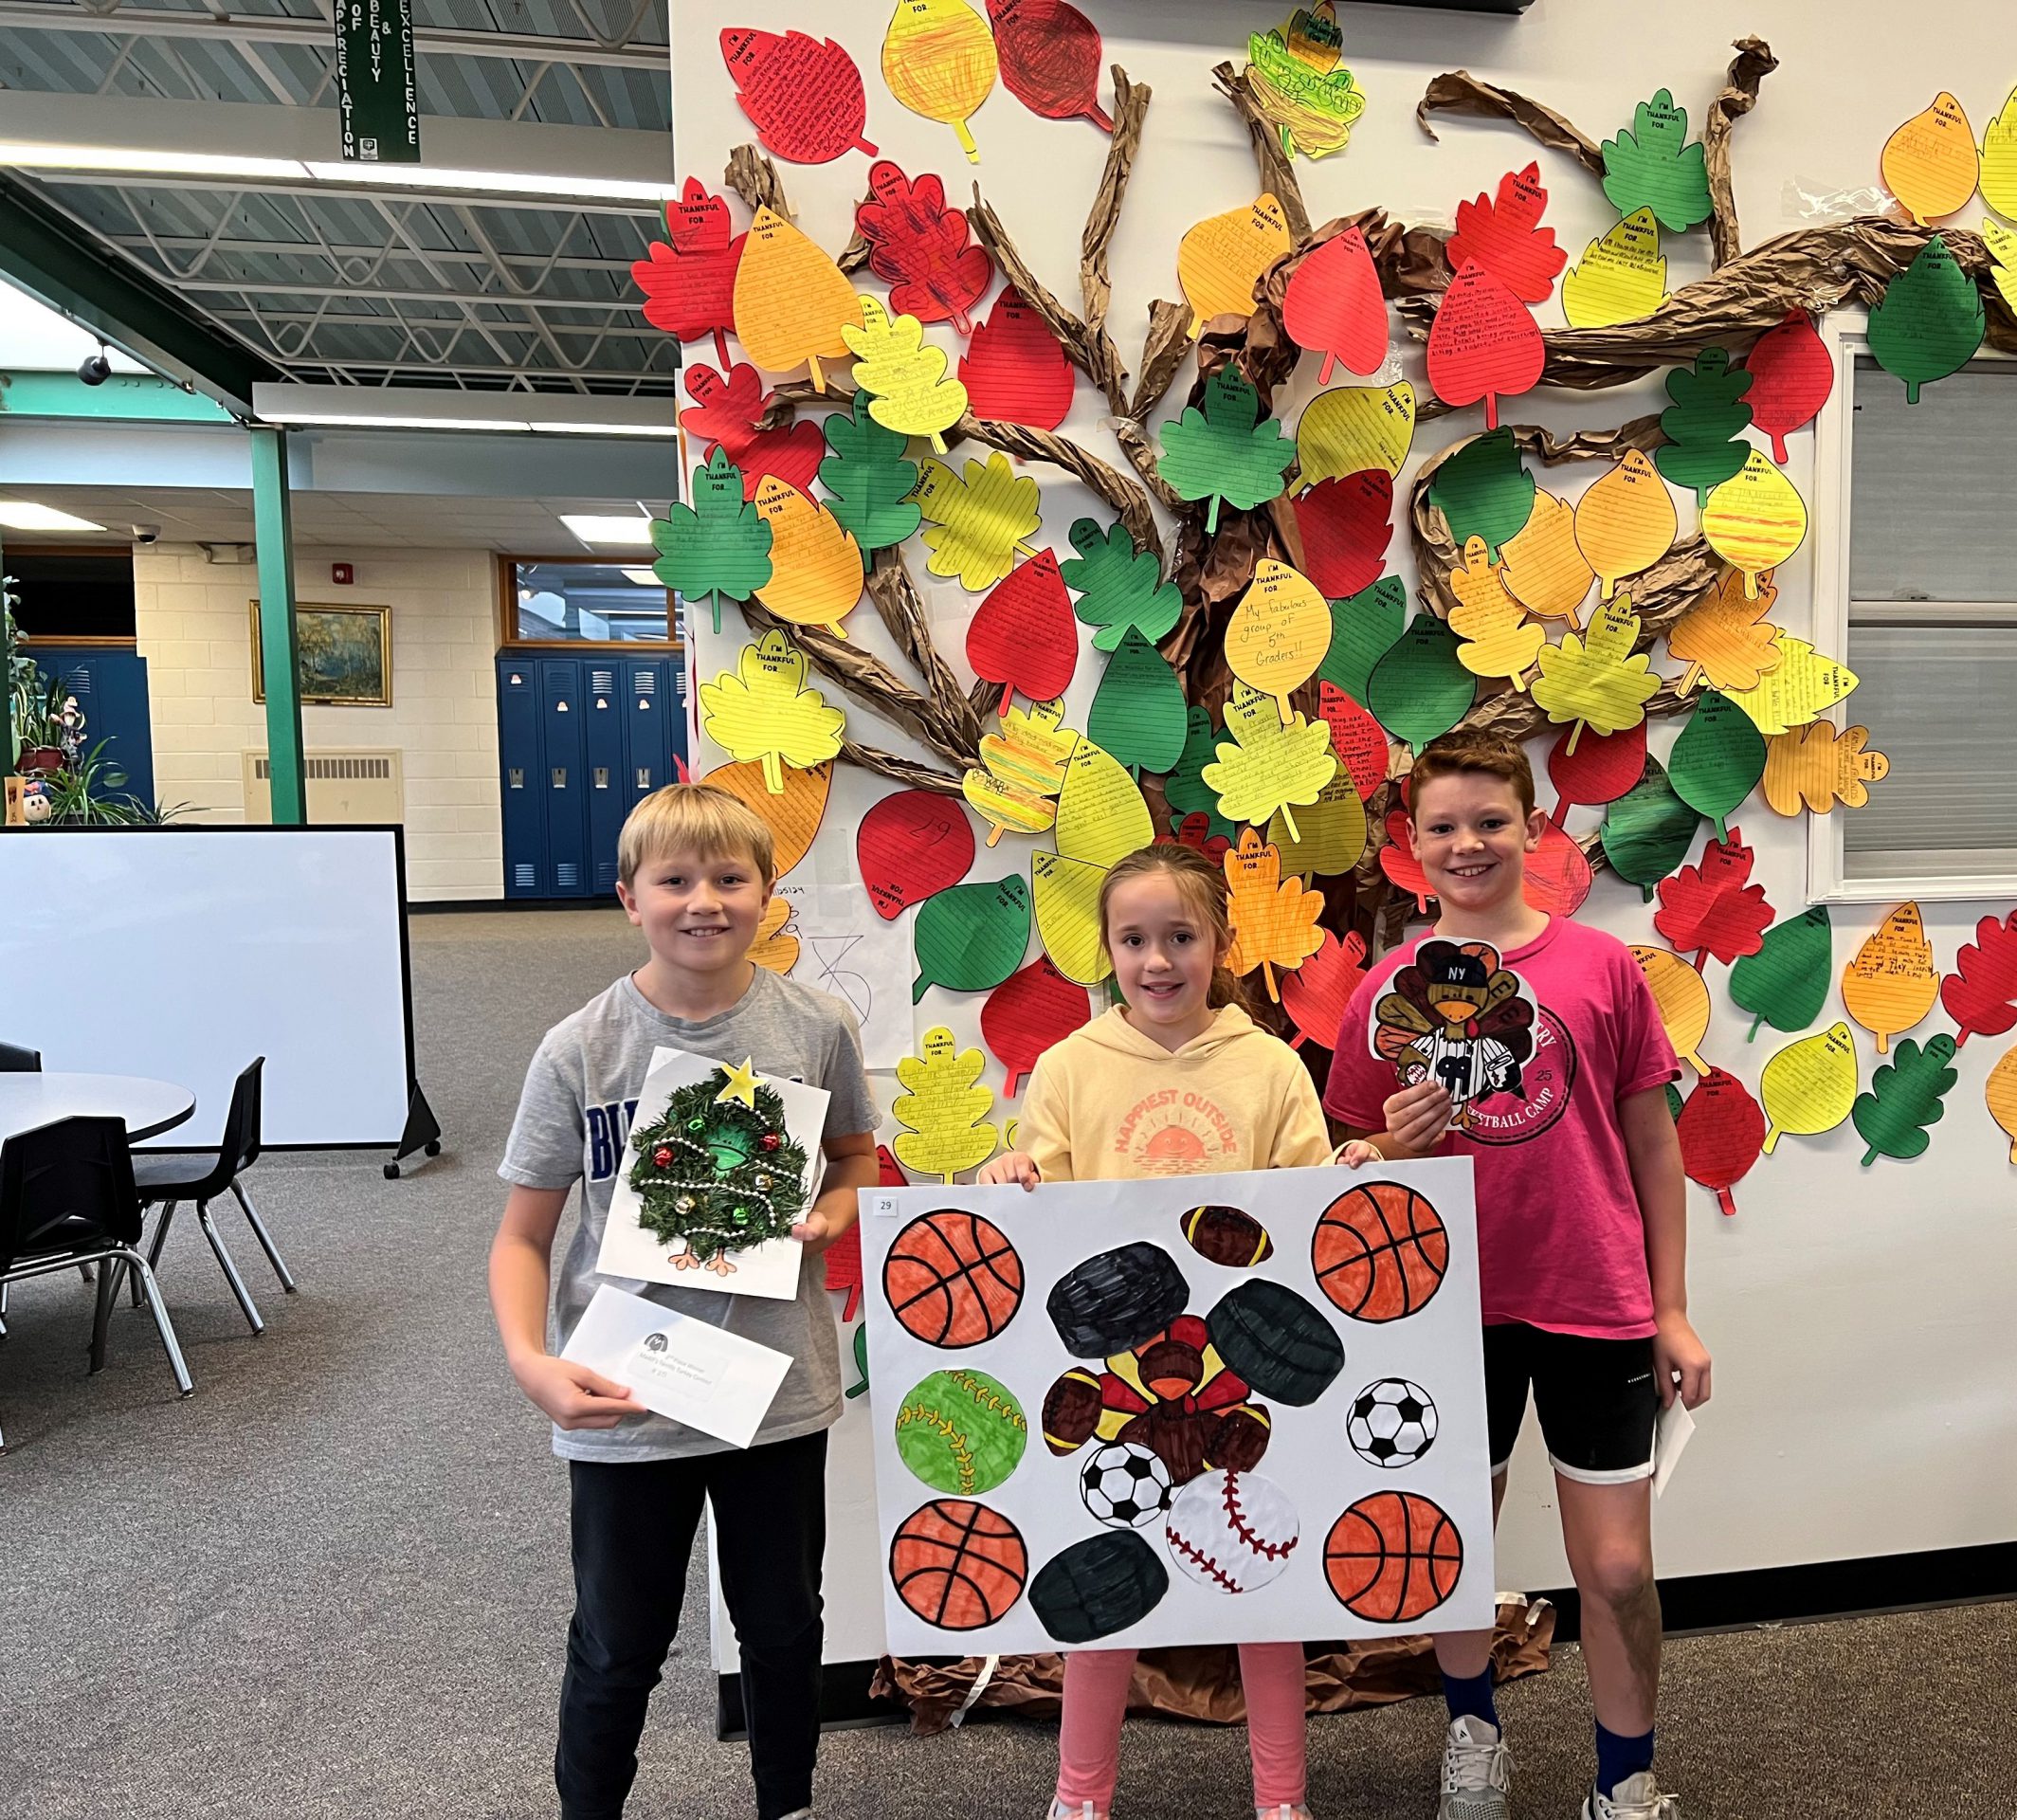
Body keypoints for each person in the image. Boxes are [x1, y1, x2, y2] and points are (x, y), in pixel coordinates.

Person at [1323, 731, 1714, 1820]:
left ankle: (1625, 1786)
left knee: (1620, 1571)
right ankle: (1473, 1738)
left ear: (1533, 829)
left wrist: (1671, 1310)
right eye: (1442, 825)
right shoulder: (1384, 992)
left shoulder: (1600, 970)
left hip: (1593, 1299)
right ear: (1410, 845)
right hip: (1441, 1309)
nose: (1467, 843)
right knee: (1452, 1548)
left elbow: (1653, 1145)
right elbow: (1349, 1162)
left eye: (1489, 820)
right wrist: (1389, 1147)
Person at [490, 783, 879, 1820]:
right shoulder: (581, 1048)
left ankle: (785, 1804)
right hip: (626, 1394)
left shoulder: (814, 1026)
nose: (702, 900)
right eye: (674, 880)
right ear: (630, 898)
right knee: (618, 1644)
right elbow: (523, 1238)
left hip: (775, 1393)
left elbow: (854, 1158)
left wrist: (838, 1212)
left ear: (767, 895)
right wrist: (533, 1363)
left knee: (785, 1628)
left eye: (728, 877)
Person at [978, 841, 1378, 1820]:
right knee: (1100, 1599)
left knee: (1265, 1593)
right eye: (1133, 940)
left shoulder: (1270, 1065)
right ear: (1105, 950)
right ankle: (1080, 1798)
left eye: (1180, 938)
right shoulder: (1071, 1066)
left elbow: (1300, 1205)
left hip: (1233, 1371)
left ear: (1220, 944)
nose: (1157, 961)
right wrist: (1008, 1178)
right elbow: (1048, 1206)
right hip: (1119, 1377)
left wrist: (1352, 1167)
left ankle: (1282, 1799)